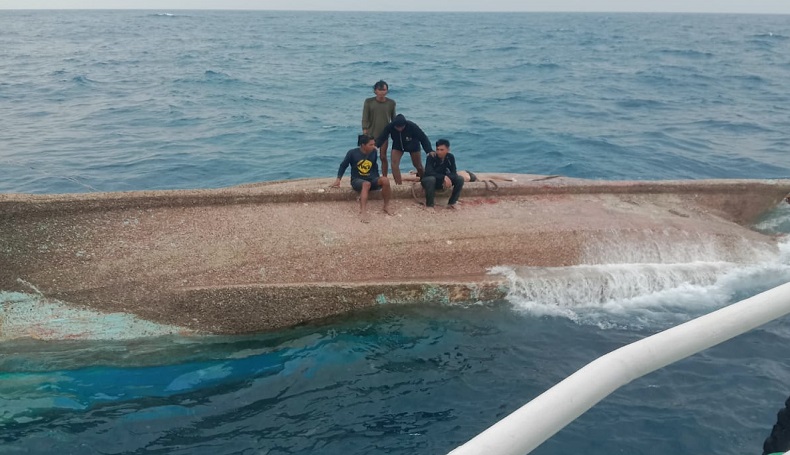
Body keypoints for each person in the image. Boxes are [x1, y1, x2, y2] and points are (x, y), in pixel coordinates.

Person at [331, 135, 394, 222]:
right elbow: (343, 165)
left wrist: (377, 179)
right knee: (366, 184)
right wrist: (338, 179)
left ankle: (386, 206)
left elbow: (374, 166)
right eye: (371, 145)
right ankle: (363, 211)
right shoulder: (352, 153)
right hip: (357, 180)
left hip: (372, 179)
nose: (374, 146)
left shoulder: (374, 152)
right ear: (363, 145)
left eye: (374, 144)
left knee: (385, 180)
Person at [375, 113, 433, 185]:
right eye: (397, 127)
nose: (399, 129)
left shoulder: (412, 126)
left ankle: (424, 179)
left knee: (418, 165)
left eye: (401, 127)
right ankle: (399, 184)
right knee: (394, 164)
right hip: (398, 145)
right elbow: (382, 137)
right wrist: (376, 146)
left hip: (413, 144)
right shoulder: (390, 126)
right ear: (394, 125)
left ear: (405, 124)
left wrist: (429, 150)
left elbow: (423, 138)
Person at [362, 80, 396, 178]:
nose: (382, 92)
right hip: (371, 134)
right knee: (369, 156)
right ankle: (368, 176)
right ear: (375, 91)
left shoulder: (391, 103)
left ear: (387, 91)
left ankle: (384, 177)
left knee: (383, 156)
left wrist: (395, 132)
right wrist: (365, 131)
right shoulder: (369, 102)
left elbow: (394, 119)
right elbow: (365, 117)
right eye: (379, 90)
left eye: (384, 90)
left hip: (384, 134)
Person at [420, 138, 464, 210]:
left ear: (448, 150)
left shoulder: (450, 157)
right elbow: (429, 172)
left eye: (442, 150)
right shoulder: (431, 157)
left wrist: (447, 178)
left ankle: (452, 202)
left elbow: (453, 172)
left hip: (443, 181)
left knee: (460, 179)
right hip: (429, 180)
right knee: (431, 179)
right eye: (437, 149)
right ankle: (430, 205)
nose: (439, 152)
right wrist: (443, 177)